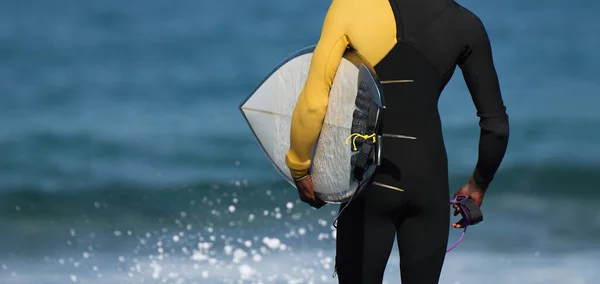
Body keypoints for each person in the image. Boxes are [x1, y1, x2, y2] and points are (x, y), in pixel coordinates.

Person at [284, 0, 509, 283]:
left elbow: (314, 104)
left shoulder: (350, 7)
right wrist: (478, 183)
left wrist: (299, 165)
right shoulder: (466, 23)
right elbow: (496, 127)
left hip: (370, 181)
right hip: (430, 183)